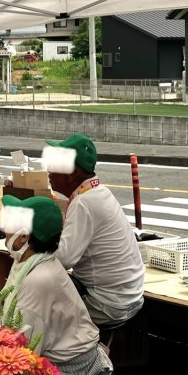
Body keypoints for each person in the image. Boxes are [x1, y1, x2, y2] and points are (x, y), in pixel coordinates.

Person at [0, 195, 111, 375]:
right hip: (75, 367)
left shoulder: (38, 280)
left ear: (23, 236)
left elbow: (23, 353)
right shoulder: (33, 262)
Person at [46, 132, 145, 344]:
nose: (49, 171)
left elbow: (64, 259)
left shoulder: (84, 202)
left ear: (72, 172)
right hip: (128, 295)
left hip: (107, 302)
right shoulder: (98, 192)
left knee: (39, 305)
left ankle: (69, 359)